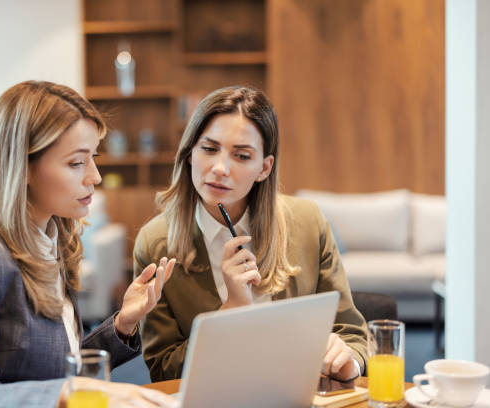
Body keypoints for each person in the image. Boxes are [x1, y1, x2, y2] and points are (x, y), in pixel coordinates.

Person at [0, 81, 178, 408]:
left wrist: (123, 323)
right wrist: (71, 394)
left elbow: (55, 365)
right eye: (76, 163)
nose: (95, 176)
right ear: (23, 166)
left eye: (93, 158)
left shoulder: (53, 239)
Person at [133, 86, 368, 382]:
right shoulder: (155, 243)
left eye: (242, 156)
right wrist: (230, 310)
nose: (220, 168)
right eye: (208, 149)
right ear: (190, 153)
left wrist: (348, 360)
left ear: (264, 168)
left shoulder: (309, 223)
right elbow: (164, 370)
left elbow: (353, 334)